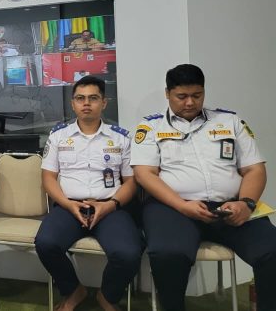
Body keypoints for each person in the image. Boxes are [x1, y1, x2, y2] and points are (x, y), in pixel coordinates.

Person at [132, 64, 276, 311]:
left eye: (197, 95)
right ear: (167, 93)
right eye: (182, 96)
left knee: (272, 250)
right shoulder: (151, 127)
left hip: (231, 205)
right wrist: (182, 206)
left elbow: (254, 168)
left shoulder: (230, 121)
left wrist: (246, 203)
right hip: (173, 208)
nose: (190, 102)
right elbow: (145, 174)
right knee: (168, 254)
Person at [34, 76, 142, 311]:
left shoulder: (121, 137)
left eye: (93, 98)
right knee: (45, 244)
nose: (86, 104)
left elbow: (131, 182)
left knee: (129, 253)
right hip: (68, 206)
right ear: (73, 103)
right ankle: (74, 290)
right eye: (80, 98)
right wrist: (67, 204)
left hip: (110, 208)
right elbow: (48, 178)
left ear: (104, 103)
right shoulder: (58, 136)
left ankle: (108, 296)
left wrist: (110, 205)